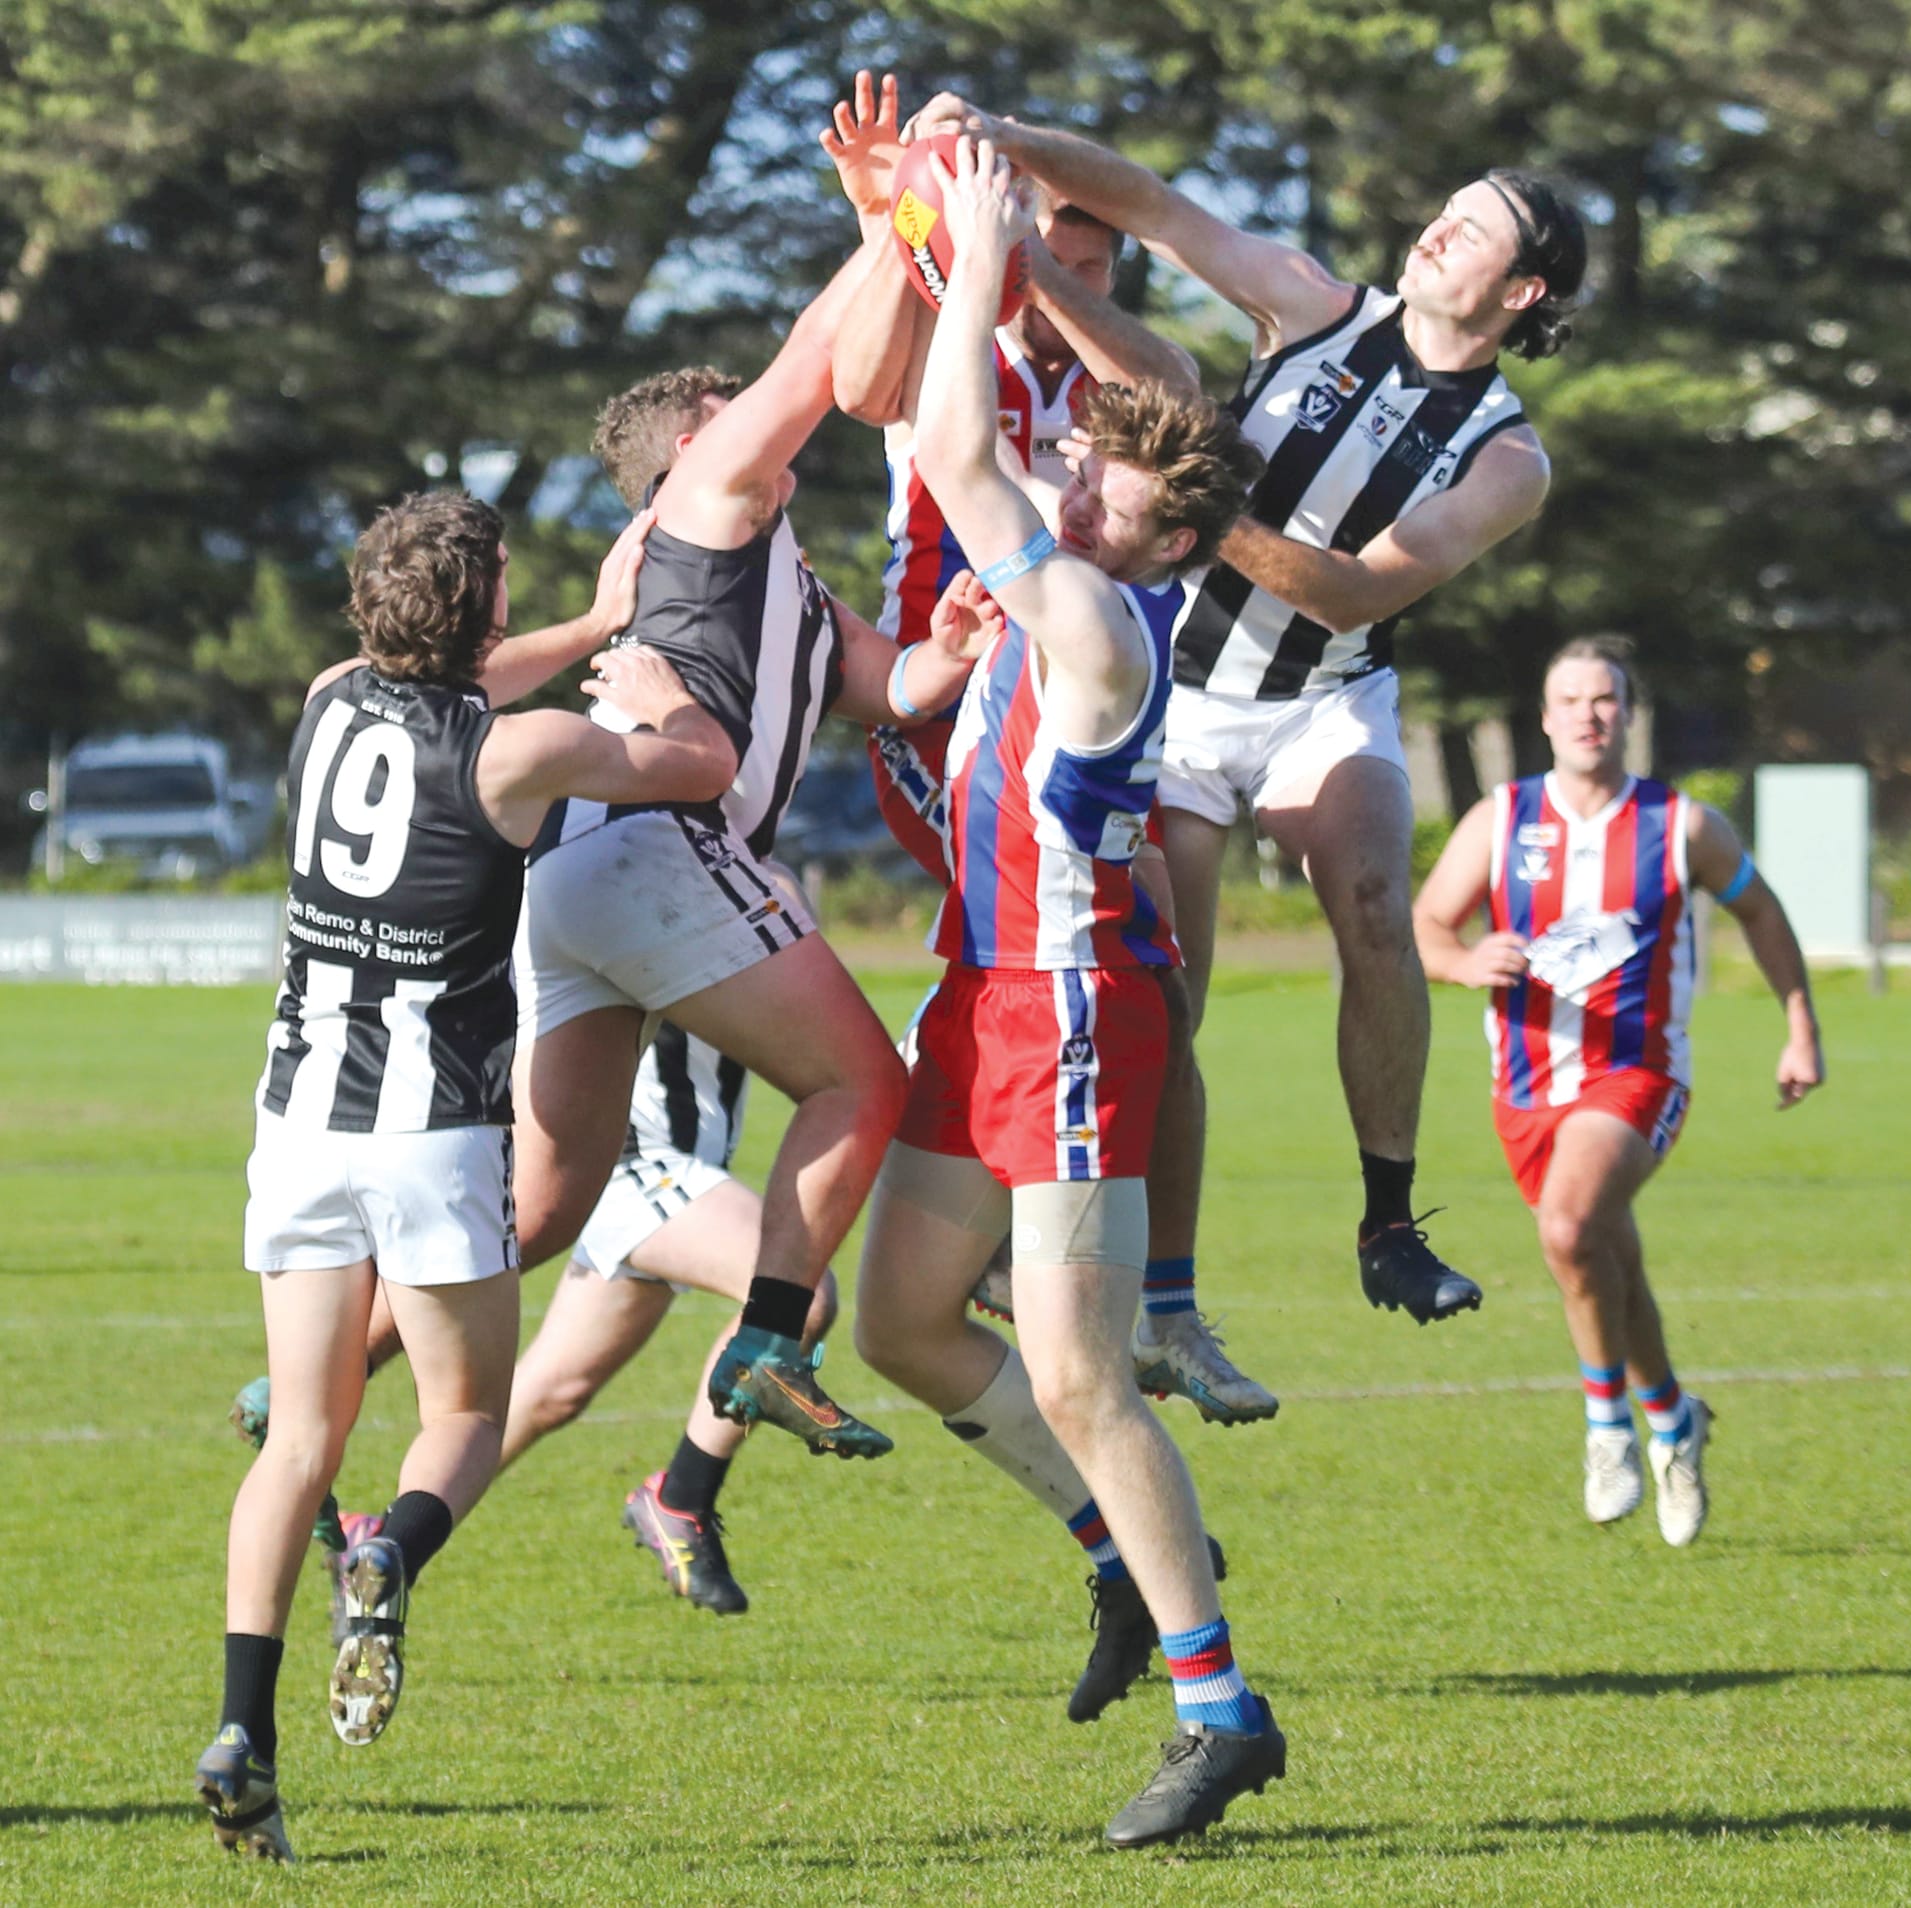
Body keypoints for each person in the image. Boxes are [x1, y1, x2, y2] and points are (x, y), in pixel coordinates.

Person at [908, 91, 1588, 1329]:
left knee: (1378, 903)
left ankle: (1387, 1222)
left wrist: (1194, 504)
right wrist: (1005, 140)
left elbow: (1347, 596)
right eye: (1445, 210)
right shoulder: (1317, 305)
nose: (1436, 230)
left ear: (1522, 291)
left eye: (1472, 228)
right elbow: (1152, 208)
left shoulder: (1505, 458)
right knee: (1165, 996)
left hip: (1320, 701)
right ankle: (1137, 1282)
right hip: (1178, 691)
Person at [852, 137, 1283, 1848]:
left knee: (1086, 1376)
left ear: (1168, 534)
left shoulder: (1106, 615)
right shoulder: (1068, 588)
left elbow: (954, 438)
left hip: (1072, 1010)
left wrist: (971, 246)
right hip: (981, 992)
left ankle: (1221, 1703)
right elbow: (971, 456)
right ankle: (1124, 1555)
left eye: (1103, 483)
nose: (1073, 486)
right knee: (897, 1319)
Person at [197, 491, 734, 1862]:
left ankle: (241, 1732)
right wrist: (654, 676)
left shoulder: (325, 698)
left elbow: (452, 671)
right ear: (487, 608)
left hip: (297, 1128)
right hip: (434, 1131)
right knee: (468, 1411)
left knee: (301, 1443)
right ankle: (392, 1553)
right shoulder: (524, 751)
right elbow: (701, 769)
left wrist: (588, 620)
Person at [501, 73, 976, 1462]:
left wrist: (952, 641)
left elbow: (901, 692)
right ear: (694, 452)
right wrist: (899, 204)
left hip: (593, 870)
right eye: (735, 408)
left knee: (541, 1213)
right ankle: (771, 1334)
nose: (768, 423)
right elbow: (829, 358)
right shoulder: (705, 504)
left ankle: (309, 1367)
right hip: (659, 848)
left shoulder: (795, 590)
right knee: (864, 1087)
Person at [1412, 638, 1825, 1544]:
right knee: (1603, 1258)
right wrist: (1463, 960)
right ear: (1547, 717)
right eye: (1572, 700)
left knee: (1568, 1227)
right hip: (1524, 1086)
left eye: (1606, 700)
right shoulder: (1502, 819)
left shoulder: (1683, 827)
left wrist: (1799, 1026)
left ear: (1627, 715)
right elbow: (1428, 926)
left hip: (1639, 1075)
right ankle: (1674, 1419)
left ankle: (1608, 1429)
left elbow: (1761, 910)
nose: (1590, 715)